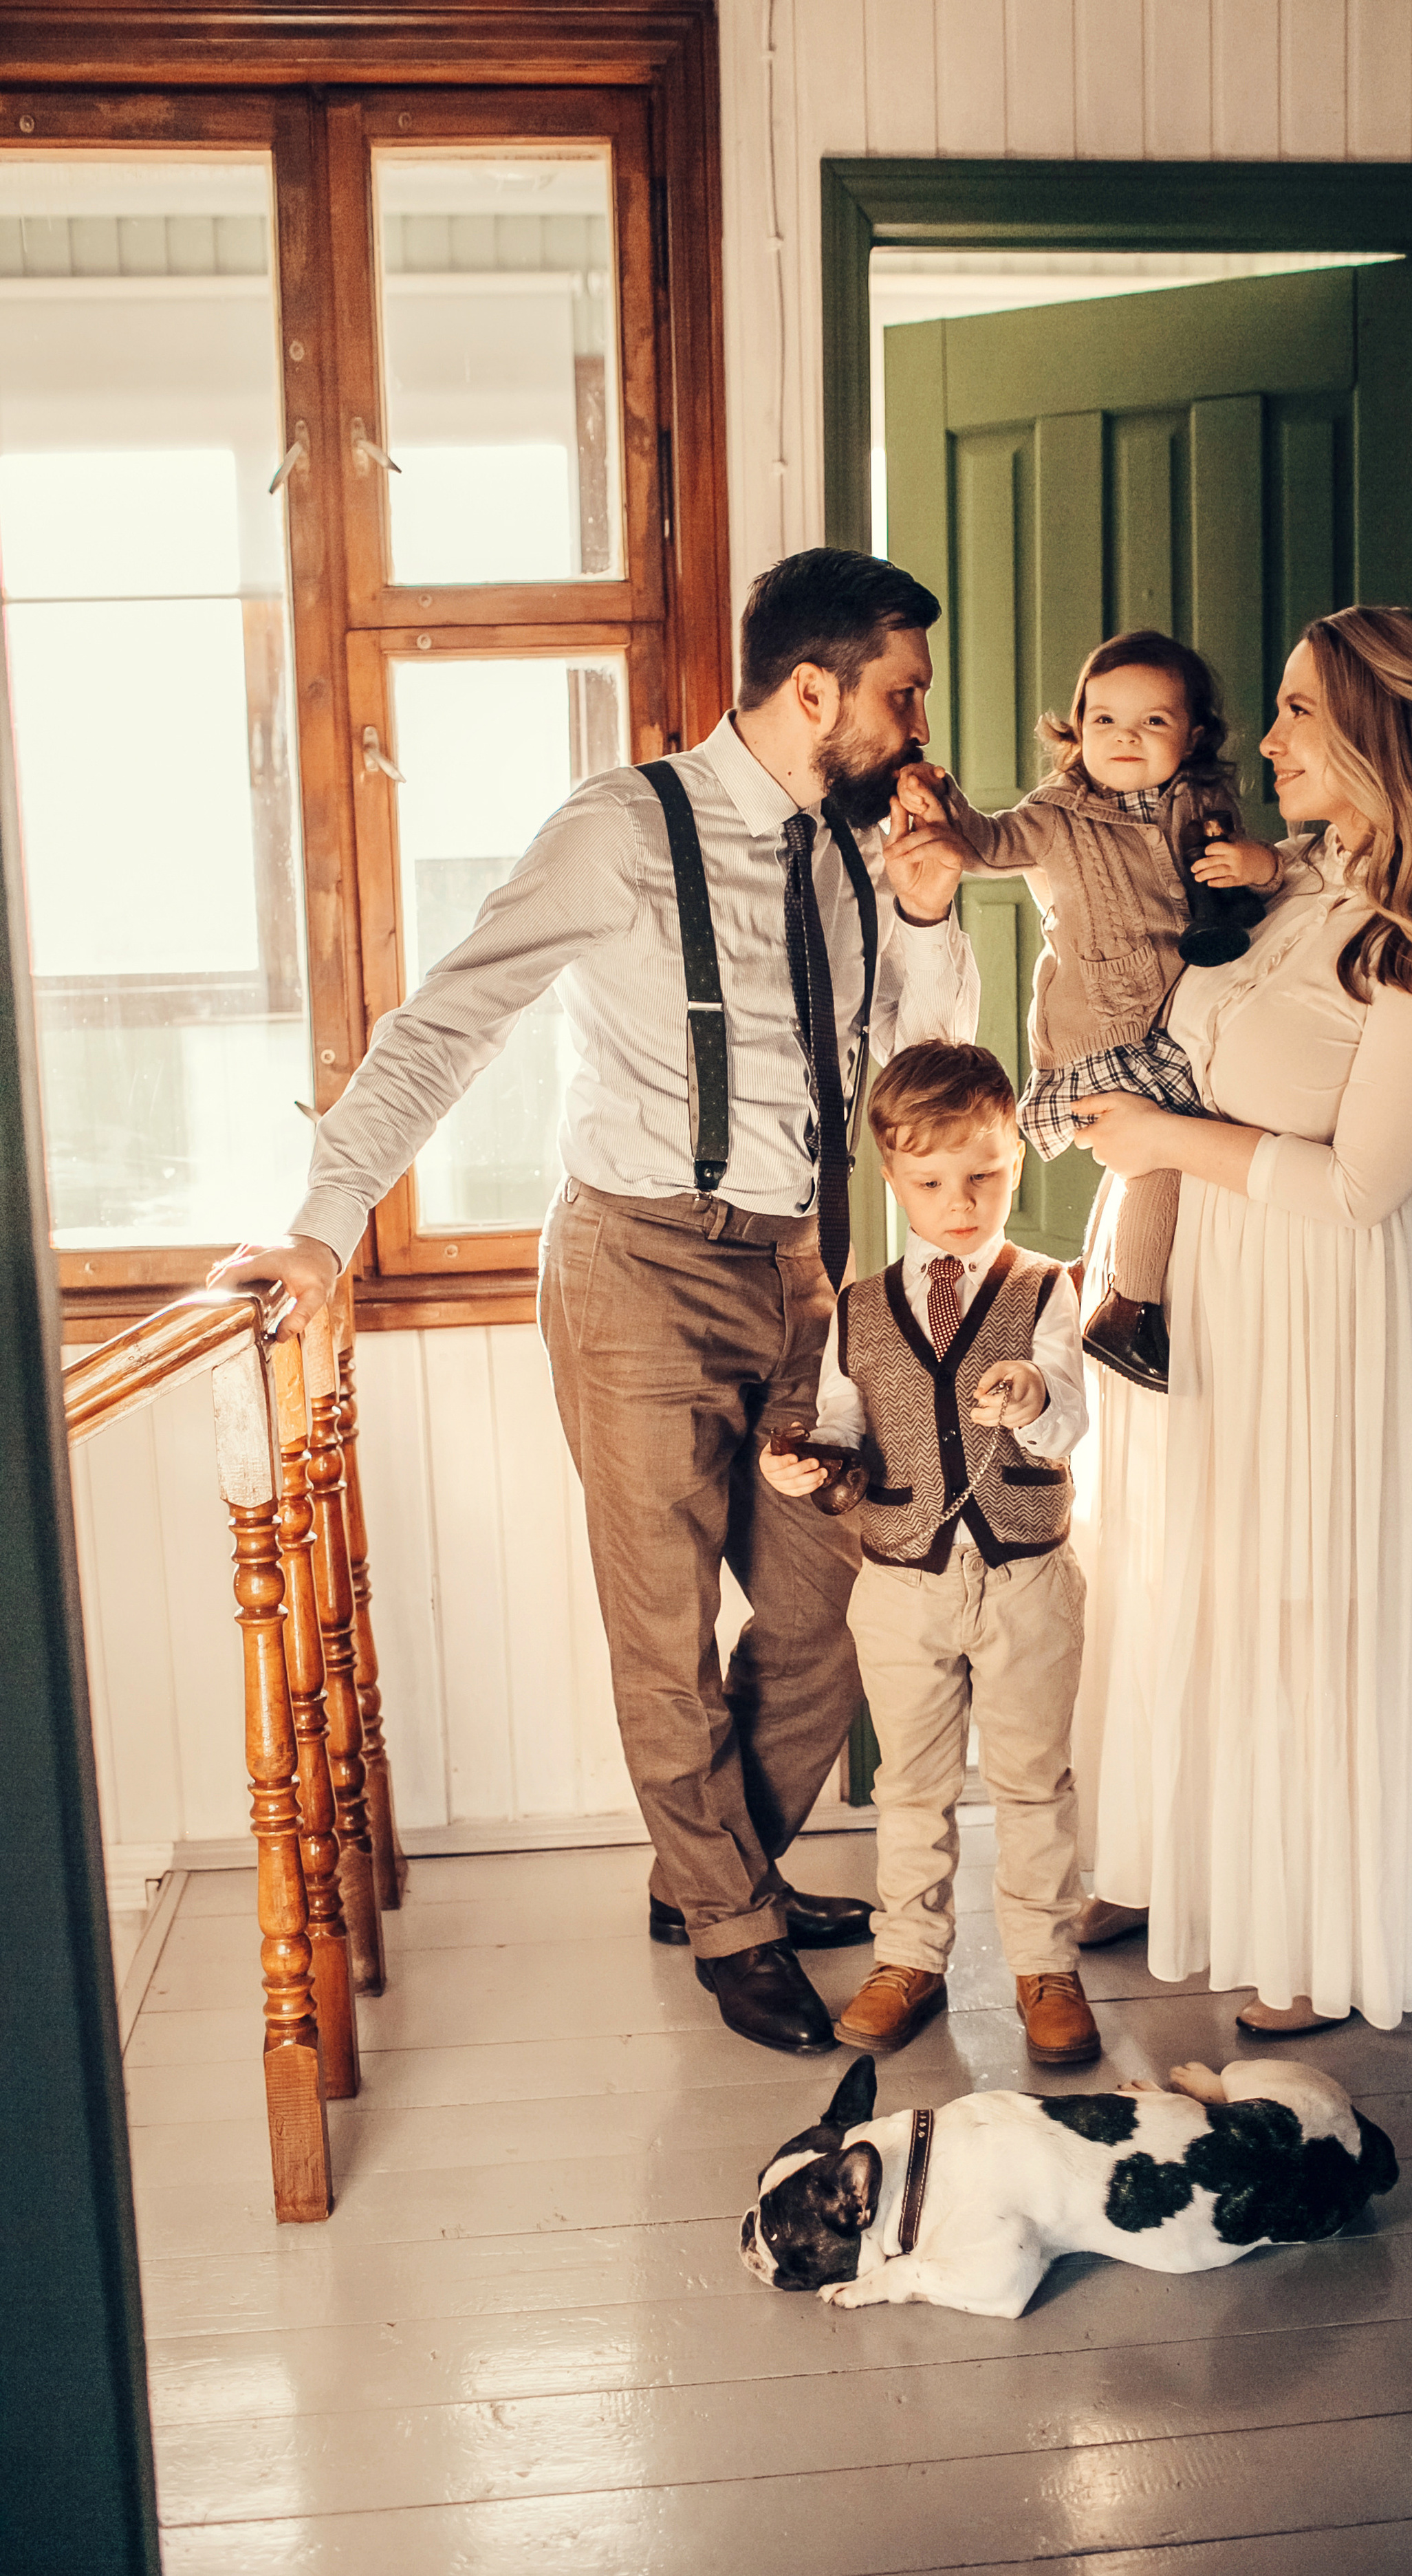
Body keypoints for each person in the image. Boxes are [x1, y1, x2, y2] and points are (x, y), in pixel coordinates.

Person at [212, 548, 979, 2057]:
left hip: (798, 1271)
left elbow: (913, 1065)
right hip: (636, 1267)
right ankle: (732, 1919)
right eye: (902, 694)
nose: (918, 725)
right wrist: (323, 1225)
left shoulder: (852, 854)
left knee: (831, 1601)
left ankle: (711, 1876)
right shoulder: (620, 830)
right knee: (662, 1621)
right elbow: (449, 1023)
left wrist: (930, 911)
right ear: (813, 690)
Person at [1073, 607, 1412, 2035]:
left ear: (1377, 731)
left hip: (1310, 1308)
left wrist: (1162, 1138)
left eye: (1296, 711)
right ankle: (1171, 1859)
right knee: (1175, 1583)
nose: (1266, 738)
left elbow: (1358, 1187)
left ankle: (1310, 1927)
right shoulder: (1290, 891)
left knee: (1296, 1614)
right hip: (1196, 1282)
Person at [759, 1041, 1098, 2065]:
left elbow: (1066, 1412)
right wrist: (808, 1462)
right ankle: (908, 1955)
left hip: (1027, 1575)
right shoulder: (859, 1308)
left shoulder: (1045, 1289)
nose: (961, 1203)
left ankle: (1045, 1964)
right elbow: (842, 1423)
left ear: (1015, 1163)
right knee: (910, 1785)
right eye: (932, 1182)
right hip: (901, 1584)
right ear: (892, 1177)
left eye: (984, 1176)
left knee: (1034, 1779)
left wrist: (1032, 1398)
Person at [895, 631, 1279, 1394]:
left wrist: (1256, 864)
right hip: (1107, 1026)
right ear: (1077, 731)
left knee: (1198, 1150)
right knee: (1165, 1151)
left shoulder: (1201, 806)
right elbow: (986, 844)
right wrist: (943, 804)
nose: (1125, 737)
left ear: (1193, 734)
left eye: (1152, 722)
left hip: (1187, 1019)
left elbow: (1259, 890)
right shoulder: (1058, 814)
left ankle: (1150, 1294)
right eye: (1104, 721)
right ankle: (1127, 1308)